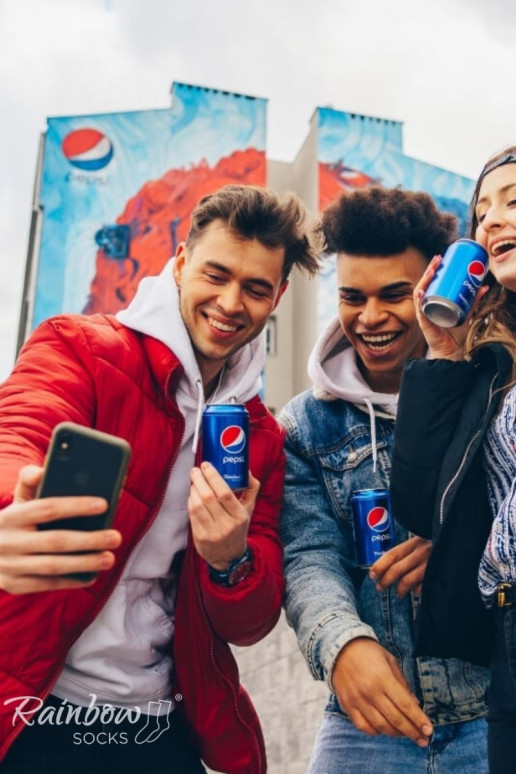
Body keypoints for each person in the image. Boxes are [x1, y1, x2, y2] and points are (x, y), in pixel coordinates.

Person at [0, 184, 323, 774]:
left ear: (277, 296)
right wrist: (9, 513)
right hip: (33, 708)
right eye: (215, 274)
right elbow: (18, 431)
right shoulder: (78, 348)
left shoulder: (263, 438)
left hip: (157, 724)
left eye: (255, 288)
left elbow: (251, 625)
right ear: (179, 263)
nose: (230, 303)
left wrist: (230, 559)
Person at [279, 186, 490, 774]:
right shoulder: (305, 423)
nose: (369, 318)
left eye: (395, 295)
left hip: (492, 711)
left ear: (434, 287)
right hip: (362, 723)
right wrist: (342, 643)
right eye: (352, 296)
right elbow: (307, 554)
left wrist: (457, 550)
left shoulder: (494, 391)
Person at [390, 146, 516, 774]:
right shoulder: (491, 364)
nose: (491, 221)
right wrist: (442, 352)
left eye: (512, 203)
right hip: (505, 650)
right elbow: (417, 505)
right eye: (482, 211)